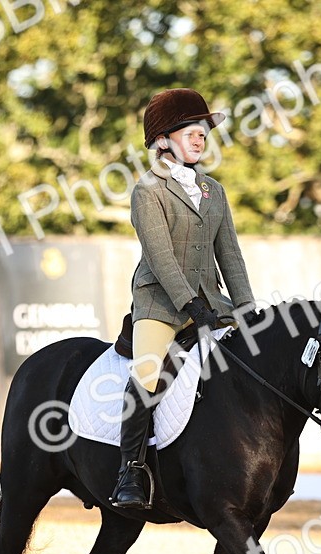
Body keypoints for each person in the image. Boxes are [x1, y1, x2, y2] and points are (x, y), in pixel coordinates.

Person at [109, 88, 256, 509]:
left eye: (203, 134)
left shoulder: (214, 191)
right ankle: (130, 472)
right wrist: (192, 306)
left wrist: (246, 308)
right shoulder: (148, 190)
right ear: (162, 140)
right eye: (191, 132)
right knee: (149, 373)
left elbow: (230, 254)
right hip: (161, 303)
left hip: (213, 301)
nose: (200, 140)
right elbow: (160, 258)